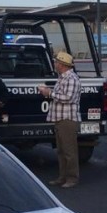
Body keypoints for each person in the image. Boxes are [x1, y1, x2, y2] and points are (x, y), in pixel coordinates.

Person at [38, 52, 81, 188]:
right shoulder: (63, 78)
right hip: (60, 118)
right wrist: (49, 91)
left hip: (67, 119)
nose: (54, 64)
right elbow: (62, 95)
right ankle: (62, 177)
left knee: (69, 151)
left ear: (62, 65)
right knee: (61, 151)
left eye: (56, 62)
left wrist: (49, 93)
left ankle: (72, 178)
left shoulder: (71, 79)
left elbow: (68, 98)